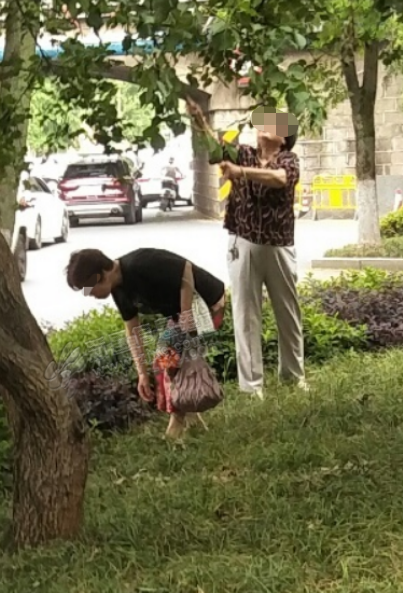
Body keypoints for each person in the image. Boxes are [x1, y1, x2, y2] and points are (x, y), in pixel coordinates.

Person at [186, 99, 307, 399]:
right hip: (243, 242)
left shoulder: (289, 160)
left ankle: (293, 376)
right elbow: (216, 150)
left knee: (288, 314)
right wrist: (199, 120)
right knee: (245, 315)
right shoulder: (244, 153)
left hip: (278, 246)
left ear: (284, 137)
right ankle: (252, 387)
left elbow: (279, 179)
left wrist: (241, 172)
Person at [66, 247, 225, 438]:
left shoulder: (140, 264)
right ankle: (192, 421)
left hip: (209, 305)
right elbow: (132, 330)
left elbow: (186, 269)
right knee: (167, 362)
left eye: (89, 289)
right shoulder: (119, 290)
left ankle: (176, 423)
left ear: (100, 275)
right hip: (180, 316)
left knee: (166, 360)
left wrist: (186, 316)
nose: (89, 295)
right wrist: (141, 373)